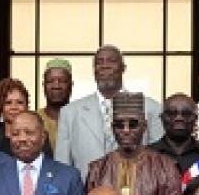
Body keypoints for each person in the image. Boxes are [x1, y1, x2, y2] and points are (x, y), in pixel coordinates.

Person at [85, 92, 182, 195]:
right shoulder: (97, 169)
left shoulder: (166, 167)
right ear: (112, 128)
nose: (126, 130)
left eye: (133, 124)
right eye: (119, 125)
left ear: (144, 126)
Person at [55, 45, 163, 180]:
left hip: (137, 194)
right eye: (99, 62)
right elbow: (62, 166)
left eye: (111, 61)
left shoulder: (150, 108)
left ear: (123, 68)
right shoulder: (70, 113)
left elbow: (158, 160)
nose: (104, 66)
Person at [148, 93, 199, 174]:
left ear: (195, 119)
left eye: (186, 114)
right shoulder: (146, 156)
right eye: (172, 113)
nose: (179, 118)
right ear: (162, 118)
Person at [0, 78, 51, 156]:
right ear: (0, 107)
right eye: (8, 103)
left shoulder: (40, 135)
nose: (14, 107)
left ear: (27, 106)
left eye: (20, 102)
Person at [36, 58, 74, 147]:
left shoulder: (82, 119)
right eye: (50, 81)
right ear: (43, 86)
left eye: (62, 81)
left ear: (71, 86)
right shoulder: (34, 119)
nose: (56, 86)